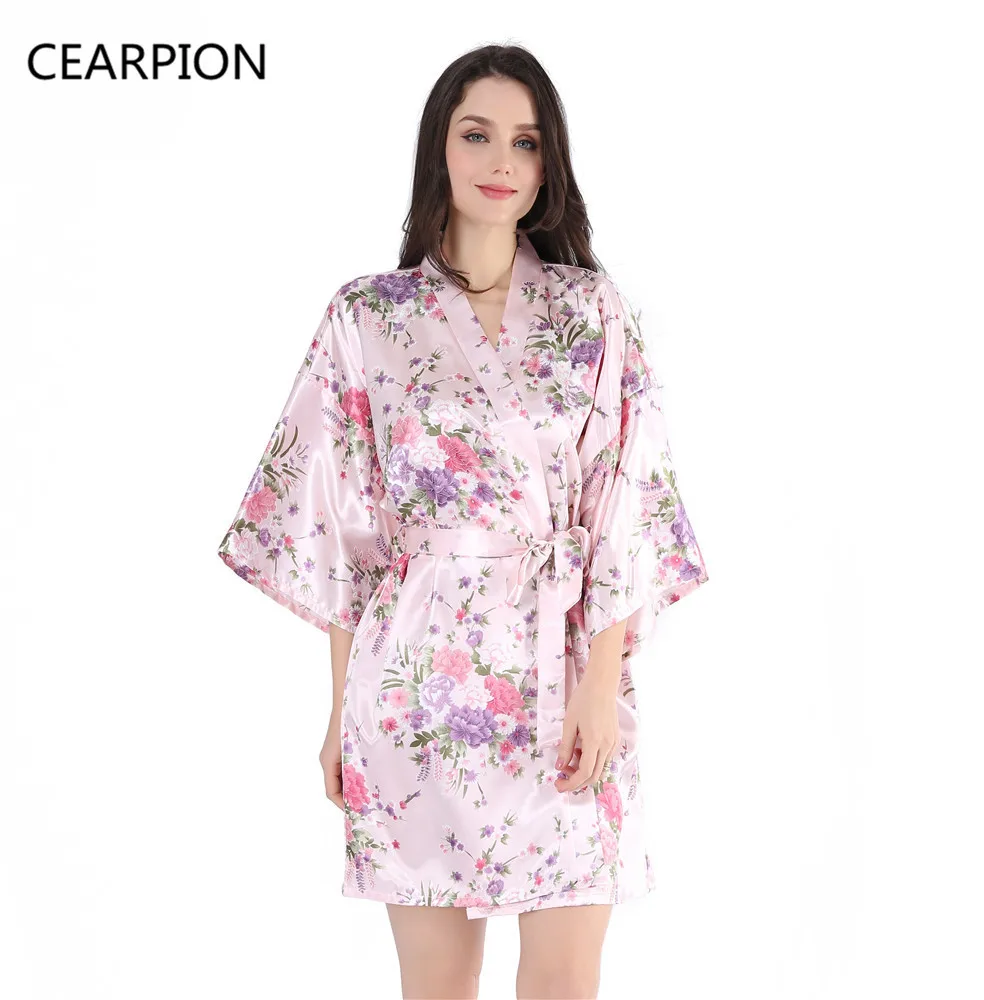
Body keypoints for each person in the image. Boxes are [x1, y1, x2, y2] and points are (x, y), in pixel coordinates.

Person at [217, 43, 709, 1000]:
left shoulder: (593, 311)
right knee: (436, 986)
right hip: (418, 683)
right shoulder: (366, 317)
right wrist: (339, 711)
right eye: (476, 133)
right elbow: (340, 535)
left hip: (564, 675)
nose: (501, 161)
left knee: (566, 978)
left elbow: (625, 502)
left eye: (526, 142)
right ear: (437, 147)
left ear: (548, 163)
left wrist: (599, 681)